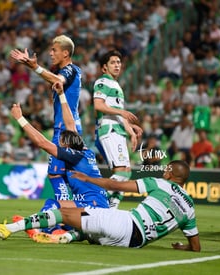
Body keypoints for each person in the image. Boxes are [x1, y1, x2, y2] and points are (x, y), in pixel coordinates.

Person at [0, 160, 201, 252]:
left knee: (64, 213)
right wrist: (183, 248)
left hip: (127, 224)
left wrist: (88, 180)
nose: (164, 171)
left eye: (166, 170)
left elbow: (117, 184)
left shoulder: (161, 183)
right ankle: (63, 238)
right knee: (91, 229)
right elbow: (196, 247)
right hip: (134, 244)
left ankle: (9, 229)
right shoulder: (190, 208)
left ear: (170, 173)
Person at [9, 82, 109, 235]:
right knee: (62, 212)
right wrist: (62, 95)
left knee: (53, 204)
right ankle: (56, 230)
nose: (60, 146)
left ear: (66, 145)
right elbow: (71, 125)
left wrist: (20, 118)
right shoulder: (84, 151)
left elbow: (42, 143)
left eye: (61, 143)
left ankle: (41, 229)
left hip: (92, 207)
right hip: (97, 206)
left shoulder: (72, 156)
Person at [10, 35, 83, 201]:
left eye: (54, 50)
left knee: (55, 173)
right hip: (68, 127)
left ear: (65, 53)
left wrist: (35, 67)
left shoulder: (70, 70)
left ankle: (63, 214)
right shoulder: (68, 71)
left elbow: (58, 80)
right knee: (66, 173)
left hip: (66, 129)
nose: (50, 53)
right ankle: (71, 214)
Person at [93, 50, 142, 209]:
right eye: (113, 62)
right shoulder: (103, 82)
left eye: (119, 62)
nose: (117, 65)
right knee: (122, 172)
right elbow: (98, 105)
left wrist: (131, 131)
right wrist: (121, 112)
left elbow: (118, 114)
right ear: (104, 68)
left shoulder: (116, 85)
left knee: (126, 174)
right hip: (109, 130)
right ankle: (94, 202)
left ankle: (110, 211)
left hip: (118, 130)